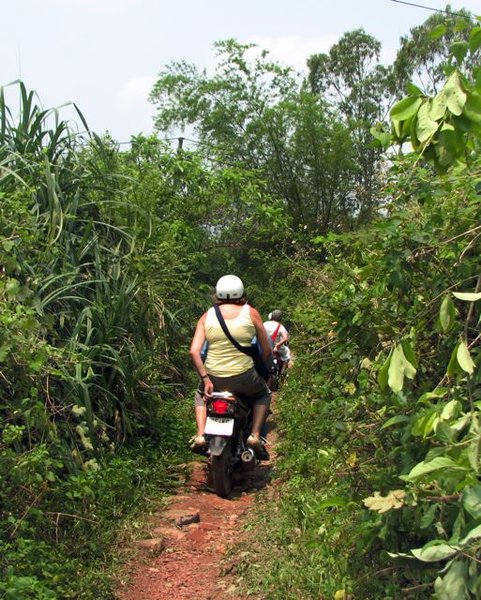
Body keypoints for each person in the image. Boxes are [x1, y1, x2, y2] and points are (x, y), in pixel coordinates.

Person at [189, 275, 272, 455]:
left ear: (217, 293)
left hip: (214, 378)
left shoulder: (207, 316)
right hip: (245, 377)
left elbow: (194, 352)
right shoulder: (251, 313)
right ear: (242, 292)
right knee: (263, 394)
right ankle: (255, 435)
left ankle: (201, 434)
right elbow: (266, 350)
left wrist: (205, 378)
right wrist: (263, 368)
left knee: (199, 394)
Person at [263, 310, 290, 374]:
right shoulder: (280, 327)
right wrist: (277, 346)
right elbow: (285, 338)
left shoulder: (265, 324)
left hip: (265, 346)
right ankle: (283, 373)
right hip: (277, 348)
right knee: (287, 356)